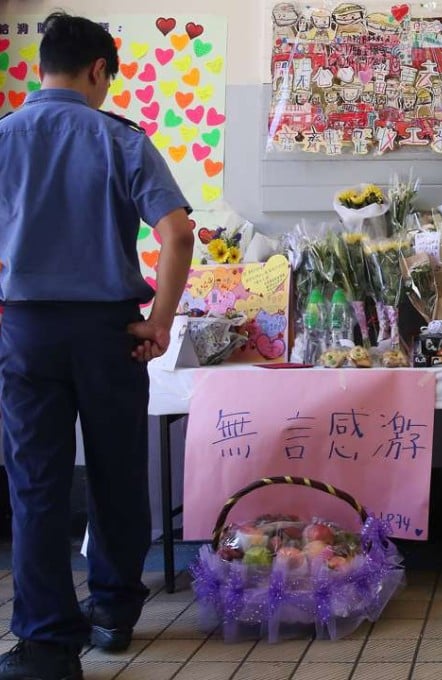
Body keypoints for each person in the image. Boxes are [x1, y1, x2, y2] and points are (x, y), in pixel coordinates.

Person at [0, 12, 194, 680]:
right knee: (116, 472)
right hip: (109, 331)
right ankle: (112, 612)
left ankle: (47, 643)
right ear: (98, 71)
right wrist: (160, 322)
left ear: (41, 65)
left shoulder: (5, 137)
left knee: (36, 485)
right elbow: (177, 233)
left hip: (24, 330)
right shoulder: (120, 139)